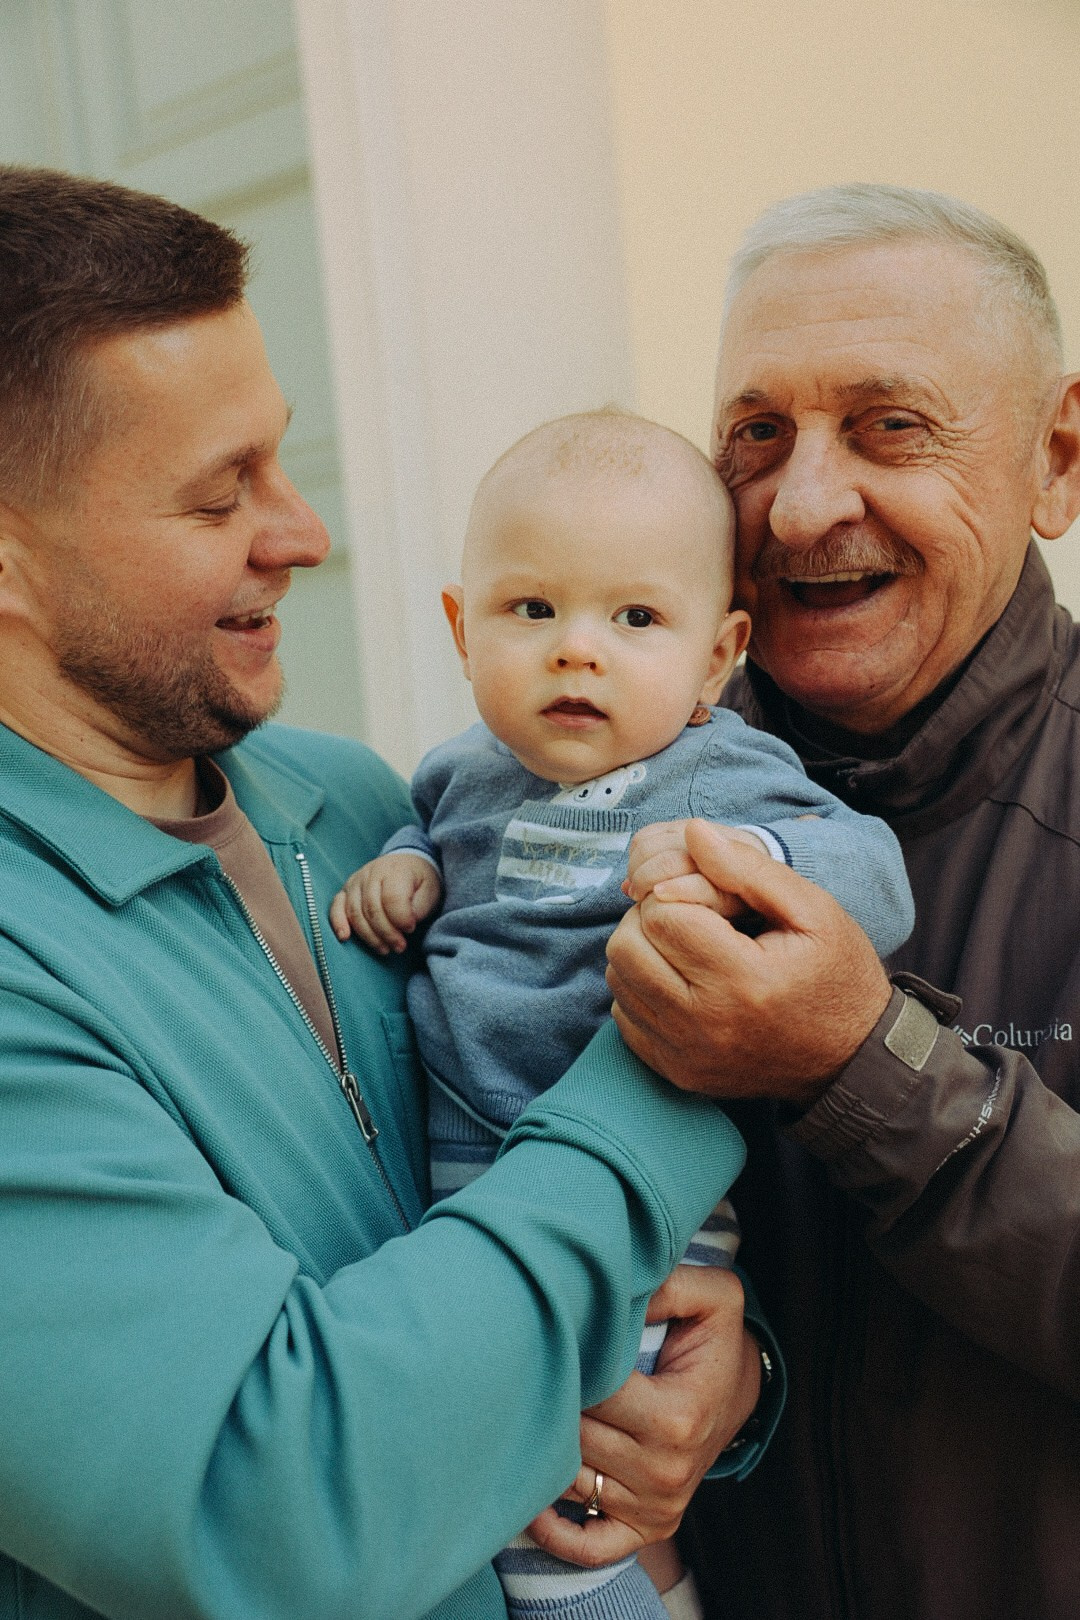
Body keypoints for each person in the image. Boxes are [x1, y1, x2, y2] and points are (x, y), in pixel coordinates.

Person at [0, 166, 763, 1620]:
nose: (303, 533)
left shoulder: (359, 804)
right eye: (219, 494)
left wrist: (719, 1383)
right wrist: (675, 1062)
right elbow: (280, 1503)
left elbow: (507, 1268)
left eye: (280, 463)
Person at [331, 409, 913, 1620]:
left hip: (646, 1201)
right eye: (533, 609)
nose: (576, 652)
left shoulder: (719, 774)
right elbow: (428, 838)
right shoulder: (458, 775)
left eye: (636, 618)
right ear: (462, 629)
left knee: (561, 1513)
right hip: (466, 1171)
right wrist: (403, 870)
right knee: (513, 1480)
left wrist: (748, 863)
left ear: (717, 658)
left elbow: (876, 880)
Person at [599, 184, 1080, 1620]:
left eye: (892, 427)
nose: (802, 505)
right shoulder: (599, 796)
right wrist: (712, 1386)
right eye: (757, 435)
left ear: (1058, 460)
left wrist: (863, 1069)